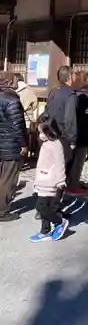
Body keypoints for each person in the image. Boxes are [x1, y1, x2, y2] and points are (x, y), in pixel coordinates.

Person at [31, 115, 69, 242]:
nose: (40, 135)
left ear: (49, 131)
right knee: (43, 207)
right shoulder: (46, 143)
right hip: (42, 181)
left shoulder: (56, 144)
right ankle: (45, 231)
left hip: (50, 181)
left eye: (42, 132)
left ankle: (59, 222)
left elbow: (60, 163)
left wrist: (60, 180)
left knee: (41, 207)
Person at [0, 71, 28, 222]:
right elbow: (18, 125)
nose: (17, 82)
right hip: (10, 144)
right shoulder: (11, 99)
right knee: (8, 179)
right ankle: (2, 211)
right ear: (10, 82)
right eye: (15, 80)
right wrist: (23, 143)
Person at [69, 71, 88, 193]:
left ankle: (70, 181)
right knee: (79, 160)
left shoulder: (72, 93)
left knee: (71, 159)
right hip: (83, 132)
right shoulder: (85, 96)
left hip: (72, 131)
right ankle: (73, 185)